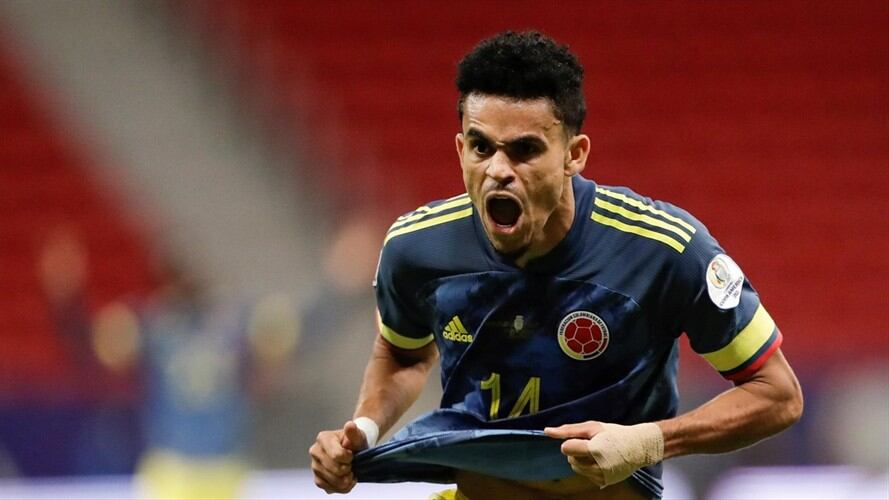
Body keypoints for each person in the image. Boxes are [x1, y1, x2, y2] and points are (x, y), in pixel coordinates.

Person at [309, 31, 803, 500]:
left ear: (575, 154)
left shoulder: (664, 249)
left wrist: (648, 441)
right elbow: (404, 355)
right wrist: (364, 429)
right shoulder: (416, 249)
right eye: (481, 147)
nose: (499, 170)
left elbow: (777, 395)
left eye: (525, 150)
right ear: (460, 149)